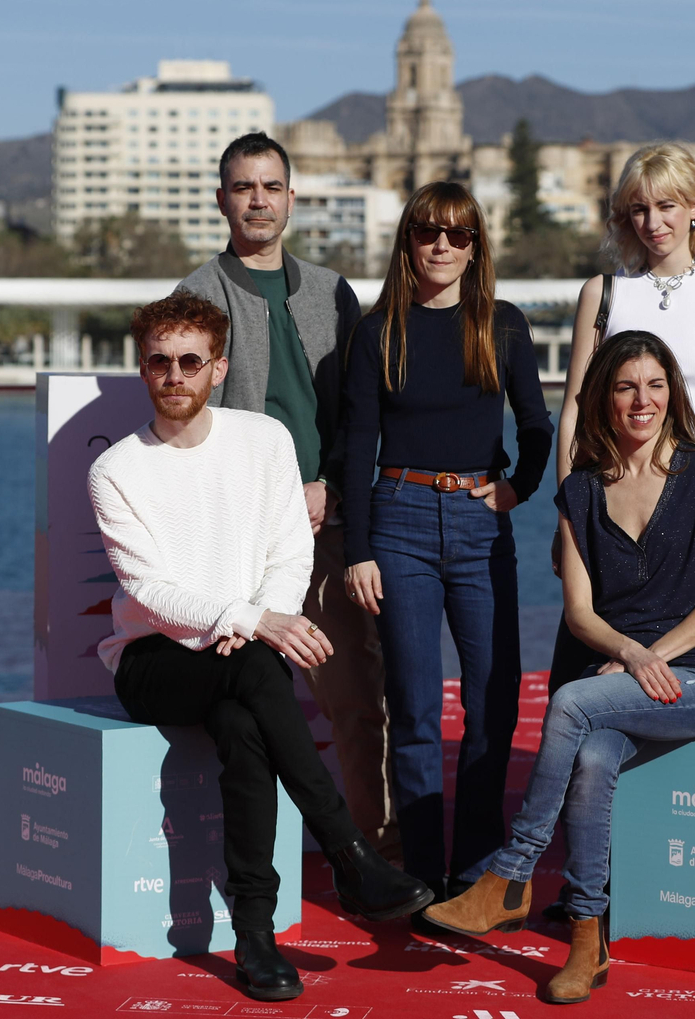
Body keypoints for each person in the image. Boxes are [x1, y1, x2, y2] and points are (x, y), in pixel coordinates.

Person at [88, 293, 430, 1002]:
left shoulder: (265, 439)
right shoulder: (116, 469)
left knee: (246, 724)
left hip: (242, 647)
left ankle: (254, 935)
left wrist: (260, 620)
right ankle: (349, 852)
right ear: (141, 367)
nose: (173, 375)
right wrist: (253, 623)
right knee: (253, 668)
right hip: (152, 657)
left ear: (218, 367)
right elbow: (151, 591)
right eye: (159, 361)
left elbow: (289, 549)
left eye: (190, 361)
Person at [421, 330, 695, 1005]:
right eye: (626, 386)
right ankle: (587, 937)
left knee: (568, 701)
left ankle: (511, 876)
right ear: (604, 397)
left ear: (672, 394)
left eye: (655, 385)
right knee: (594, 759)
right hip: (628, 674)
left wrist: (658, 655)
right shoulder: (579, 491)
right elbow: (581, 615)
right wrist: (630, 653)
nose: (642, 400)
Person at [176, 132, 395, 860]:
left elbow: (359, 410)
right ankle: (247, 862)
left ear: (292, 198)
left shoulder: (333, 291)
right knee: (245, 707)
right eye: (244, 188)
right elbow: (184, 425)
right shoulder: (196, 298)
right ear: (221, 200)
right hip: (235, 539)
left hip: (326, 521)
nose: (258, 201)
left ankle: (374, 853)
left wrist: (329, 486)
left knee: (358, 698)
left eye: (271, 187)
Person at [341, 181, 553, 913]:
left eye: (458, 235)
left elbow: (537, 429)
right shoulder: (379, 333)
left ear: (475, 247)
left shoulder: (503, 325)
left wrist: (517, 489)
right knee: (415, 702)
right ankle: (424, 874)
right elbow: (357, 446)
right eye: (428, 232)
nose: (441, 245)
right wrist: (358, 551)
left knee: (494, 699)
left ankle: (476, 870)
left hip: (477, 522)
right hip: (396, 519)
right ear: (408, 240)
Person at [550, 143, 695, 695]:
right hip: (614, 502)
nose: (653, 222)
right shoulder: (603, 294)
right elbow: (575, 406)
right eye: (639, 209)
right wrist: (568, 514)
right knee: (590, 655)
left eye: (667, 206)